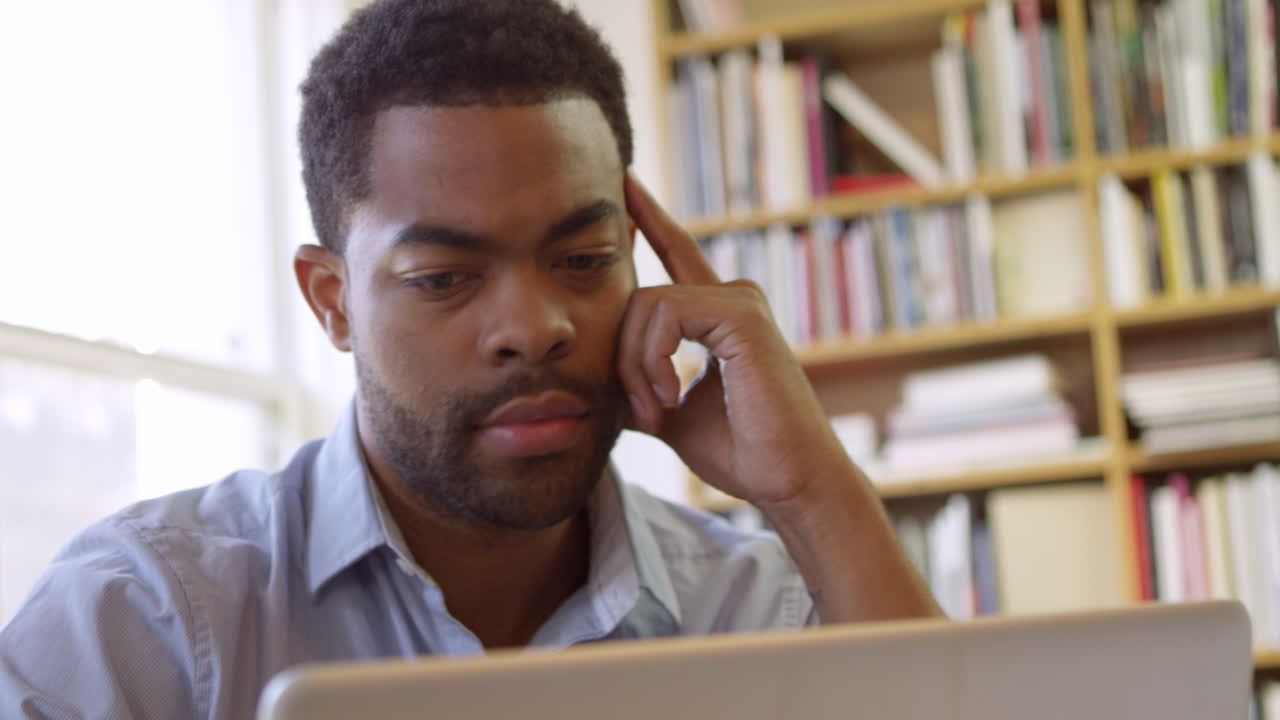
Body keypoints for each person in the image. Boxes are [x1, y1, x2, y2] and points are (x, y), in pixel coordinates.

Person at [0, 0, 939, 717]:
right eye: (445, 276)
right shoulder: (148, 616)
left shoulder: (758, 608)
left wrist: (811, 491)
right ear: (333, 302)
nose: (533, 328)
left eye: (583, 261)